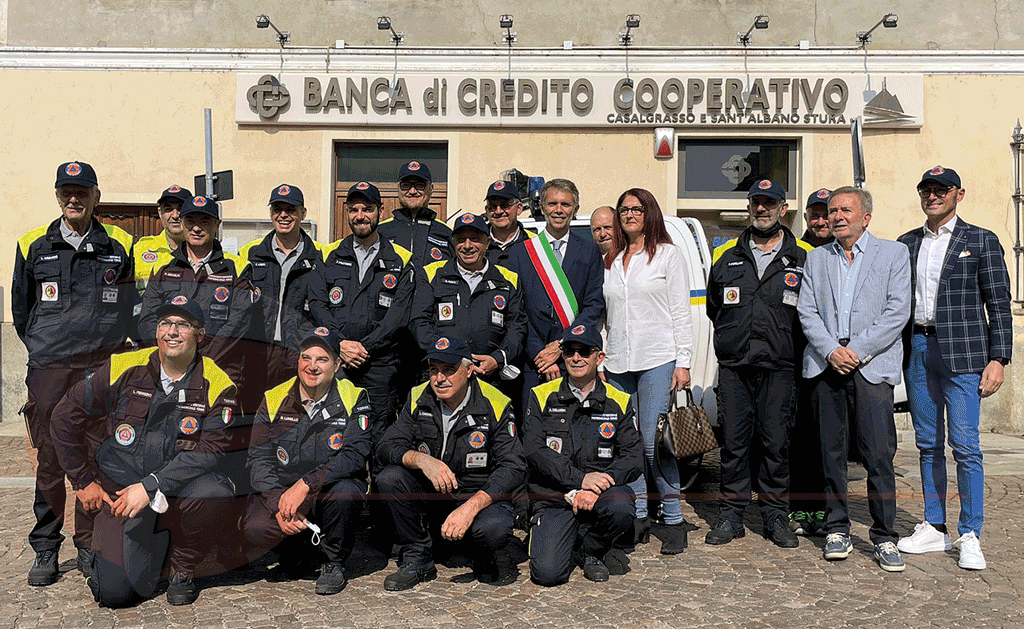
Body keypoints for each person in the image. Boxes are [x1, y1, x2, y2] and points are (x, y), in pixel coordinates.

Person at [50, 296, 239, 606]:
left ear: (200, 335)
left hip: (177, 492)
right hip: (122, 495)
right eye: (165, 323)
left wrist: (150, 485)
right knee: (114, 594)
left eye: (183, 325)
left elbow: (209, 452)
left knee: (215, 491)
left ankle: (183, 565)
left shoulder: (218, 384)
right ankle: (146, 544)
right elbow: (63, 417)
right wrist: (83, 480)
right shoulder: (123, 365)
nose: (172, 332)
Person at [13, 160, 135, 586]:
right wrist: (43, 350)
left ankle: (88, 544)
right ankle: (46, 547)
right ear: (58, 195)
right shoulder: (32, 242)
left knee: (97, 457)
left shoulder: (119, 243)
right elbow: (21, 306)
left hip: (98, 369)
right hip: (50, 368)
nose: (74, 198)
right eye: (67, 190)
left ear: (96, 196)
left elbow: (127, 307)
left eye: (82, 191)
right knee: (49, 458)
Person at [895, 166, 1012, 571]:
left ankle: (970, 533)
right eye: (926, 189)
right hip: (920, 348)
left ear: (958, 194)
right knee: (927, 444)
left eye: (941, 189)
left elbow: (998, 305)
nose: (933, 195)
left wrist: (999, 358)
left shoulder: (981, 240)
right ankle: (933, 524)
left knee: (965, 447)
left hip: (964, 356)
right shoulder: (906, 243)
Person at [797, 186, 911, 572]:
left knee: (879, 455)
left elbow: (897, 312)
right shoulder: (816, 259)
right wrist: (831, 350)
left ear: (866, 217)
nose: (836, 216)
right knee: (830, 453)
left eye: (846, 209)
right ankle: (837, 527)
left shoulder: (894, 254)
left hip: (871, 366)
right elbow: (807, 311)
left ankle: (883, 535)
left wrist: (856, 351)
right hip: (828, 366)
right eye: (832, 211)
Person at [704, 179, 808, 551]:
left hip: (780, 365)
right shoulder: (726, 255)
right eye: (756, 203)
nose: (762, 209)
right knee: (733, 444)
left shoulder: (803, 256)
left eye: (770, 203)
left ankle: (775, 516)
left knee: (775, 444)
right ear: (749, 208)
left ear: (783, 209)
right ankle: (730, 516)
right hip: (735, 366)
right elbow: (714, 309)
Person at [375, 336, 525, 590]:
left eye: (448, 370)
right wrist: (421, 460)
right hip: (433, 496)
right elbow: (385, 447)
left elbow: (514, 467)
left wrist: (470, 508)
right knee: (389, 477)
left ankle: (482, 553)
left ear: (468, 370)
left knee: (494, 527)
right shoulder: (418, 396)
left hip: (475, 495)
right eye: (434, 370)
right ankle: (417, 556)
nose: (439, 378)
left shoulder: (496, 403)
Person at [245, 327, 373, 595]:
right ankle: (296, 556)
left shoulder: (354, 397)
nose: (312, 366)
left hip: (326, 492)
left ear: (337, 365)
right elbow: (259, 458)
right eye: (306, 358)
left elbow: (354, 454)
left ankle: (332, 562)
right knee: (255, 526)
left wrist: (306, 483)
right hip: (286, 495)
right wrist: (276, 505)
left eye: (322, 359)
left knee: (347, 490)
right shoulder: (273, 398)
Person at [602, 188, 694, 554]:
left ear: (649, 213)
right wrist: (603, 355)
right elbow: (607, 317)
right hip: (619, 362)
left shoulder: (668, 256)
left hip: (657, 358)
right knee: (629, 443)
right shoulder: (612, 258)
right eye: (623, 209)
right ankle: (638, 514)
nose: (628, 215)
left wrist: (683, 361)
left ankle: (672, 517)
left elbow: (680, 312)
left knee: (655, 444)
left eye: (636, 209)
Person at [523, 324, 642, 585]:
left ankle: (592, 550)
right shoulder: (541, 396)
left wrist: (597, 486)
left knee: (621, 505)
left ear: (599, 358)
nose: (576, 358)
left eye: (584, 351)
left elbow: (634, 457)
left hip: (599, 493)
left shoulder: (619, 400)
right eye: (569, 352)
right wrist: (580, 481)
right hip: (555, 495)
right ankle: (552, 533)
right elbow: (534, 451)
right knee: (548, 575)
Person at [310, 182, 415, 441]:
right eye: (354, 209)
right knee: (332, 434)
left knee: (377, 436)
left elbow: (399, 317)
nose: (360, 216)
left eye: (367, 209)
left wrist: (363, 348)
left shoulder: (400, 259)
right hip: (337, 363)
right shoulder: (328, 255)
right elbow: (316, 304)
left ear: (381, 210)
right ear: (346, 212)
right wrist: (340, 344)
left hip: (379, 367)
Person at [139, 194, 257, 402]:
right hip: (167, 372)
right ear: (182, 224)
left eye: (204, 222)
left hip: (219, 371)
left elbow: (238, 325)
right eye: (191, 221)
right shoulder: (164, 269)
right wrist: (168, 358)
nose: (196, 228)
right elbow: (148, 319)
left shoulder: (237, 267)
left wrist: (198, 361)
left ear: (217, 225)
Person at [507, 178, 605, 409]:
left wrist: (561, 346)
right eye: (552, 204)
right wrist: (540, 354)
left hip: (574, 356)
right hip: (534, 361)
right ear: (542, 207)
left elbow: (593, 305)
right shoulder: (521, 252)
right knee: (534, 430)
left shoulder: (589, 250)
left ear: (576, 210)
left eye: (566, 204)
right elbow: (516, 310)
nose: (559, 210)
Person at [412, 212, 526, 400]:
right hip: (444, 376)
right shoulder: (432, 274)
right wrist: (448, 357)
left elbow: (517, 327)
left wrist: (497, 359)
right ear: (453, 243)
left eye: (475, 239)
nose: (467, 246)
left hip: (491, 378)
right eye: (461, 240)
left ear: (487, 243)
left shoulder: (508, 279)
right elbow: (419, 322)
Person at [240, 184, 323, 394]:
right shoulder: (250, 254)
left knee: (292, 418)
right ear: (271, 213)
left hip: (298, 354)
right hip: (257, 354)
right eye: (277, 209)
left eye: (291, 209)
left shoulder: (320, 257)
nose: (283, 215)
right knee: (255, 417)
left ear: (303, 213)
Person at [788, 187, 833, 537]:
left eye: (826, 213)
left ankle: (828, 509)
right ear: (805, 218)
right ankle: (801, 508)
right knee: (799, 438)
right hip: (795, 359)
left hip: (836, 360)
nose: (821, 220)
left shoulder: (843, 252)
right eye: (814, 215)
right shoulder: (794, 251)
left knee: (830, 440)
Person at [377, 160, 453, 267]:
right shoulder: (380, 232)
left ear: (431, 189)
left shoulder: (447, 233)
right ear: (398, 189)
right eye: (406, 185)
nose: (412, 191)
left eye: (420, 185)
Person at [135, 184, 191, 294]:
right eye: (168, 209)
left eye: (180, 209)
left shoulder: (203, 251)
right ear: (160, 213)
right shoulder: (141, 249)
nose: (175, 216)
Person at [483, 180, 534, 267]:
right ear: (487, 210)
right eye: (493, 206)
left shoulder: (535, 243)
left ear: (519, 209)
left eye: (505, 205)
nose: (498, 211)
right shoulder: (477, 243)